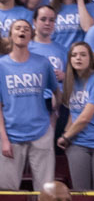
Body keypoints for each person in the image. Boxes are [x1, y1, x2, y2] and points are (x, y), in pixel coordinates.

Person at [0, 19, 58, 190]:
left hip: (41, 132)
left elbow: (57, 94)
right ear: (10, 35)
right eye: (17, 28)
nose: (22, 31)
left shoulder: (43, 62)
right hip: (11, 135)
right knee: (7, 191)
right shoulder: (1, 65)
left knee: (46, 189)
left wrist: (52, 122)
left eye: (26, 28)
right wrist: (4, 139)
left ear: (31, 36)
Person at [58, 42, 94, 191]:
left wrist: (65, 137)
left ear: (90, 59)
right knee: (80, 193)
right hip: (78, 143)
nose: (78, 58)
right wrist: (67, 134)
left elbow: (85, 117)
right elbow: (74, 114)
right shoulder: (70, 82)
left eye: (83, 55)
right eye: (74, 55)